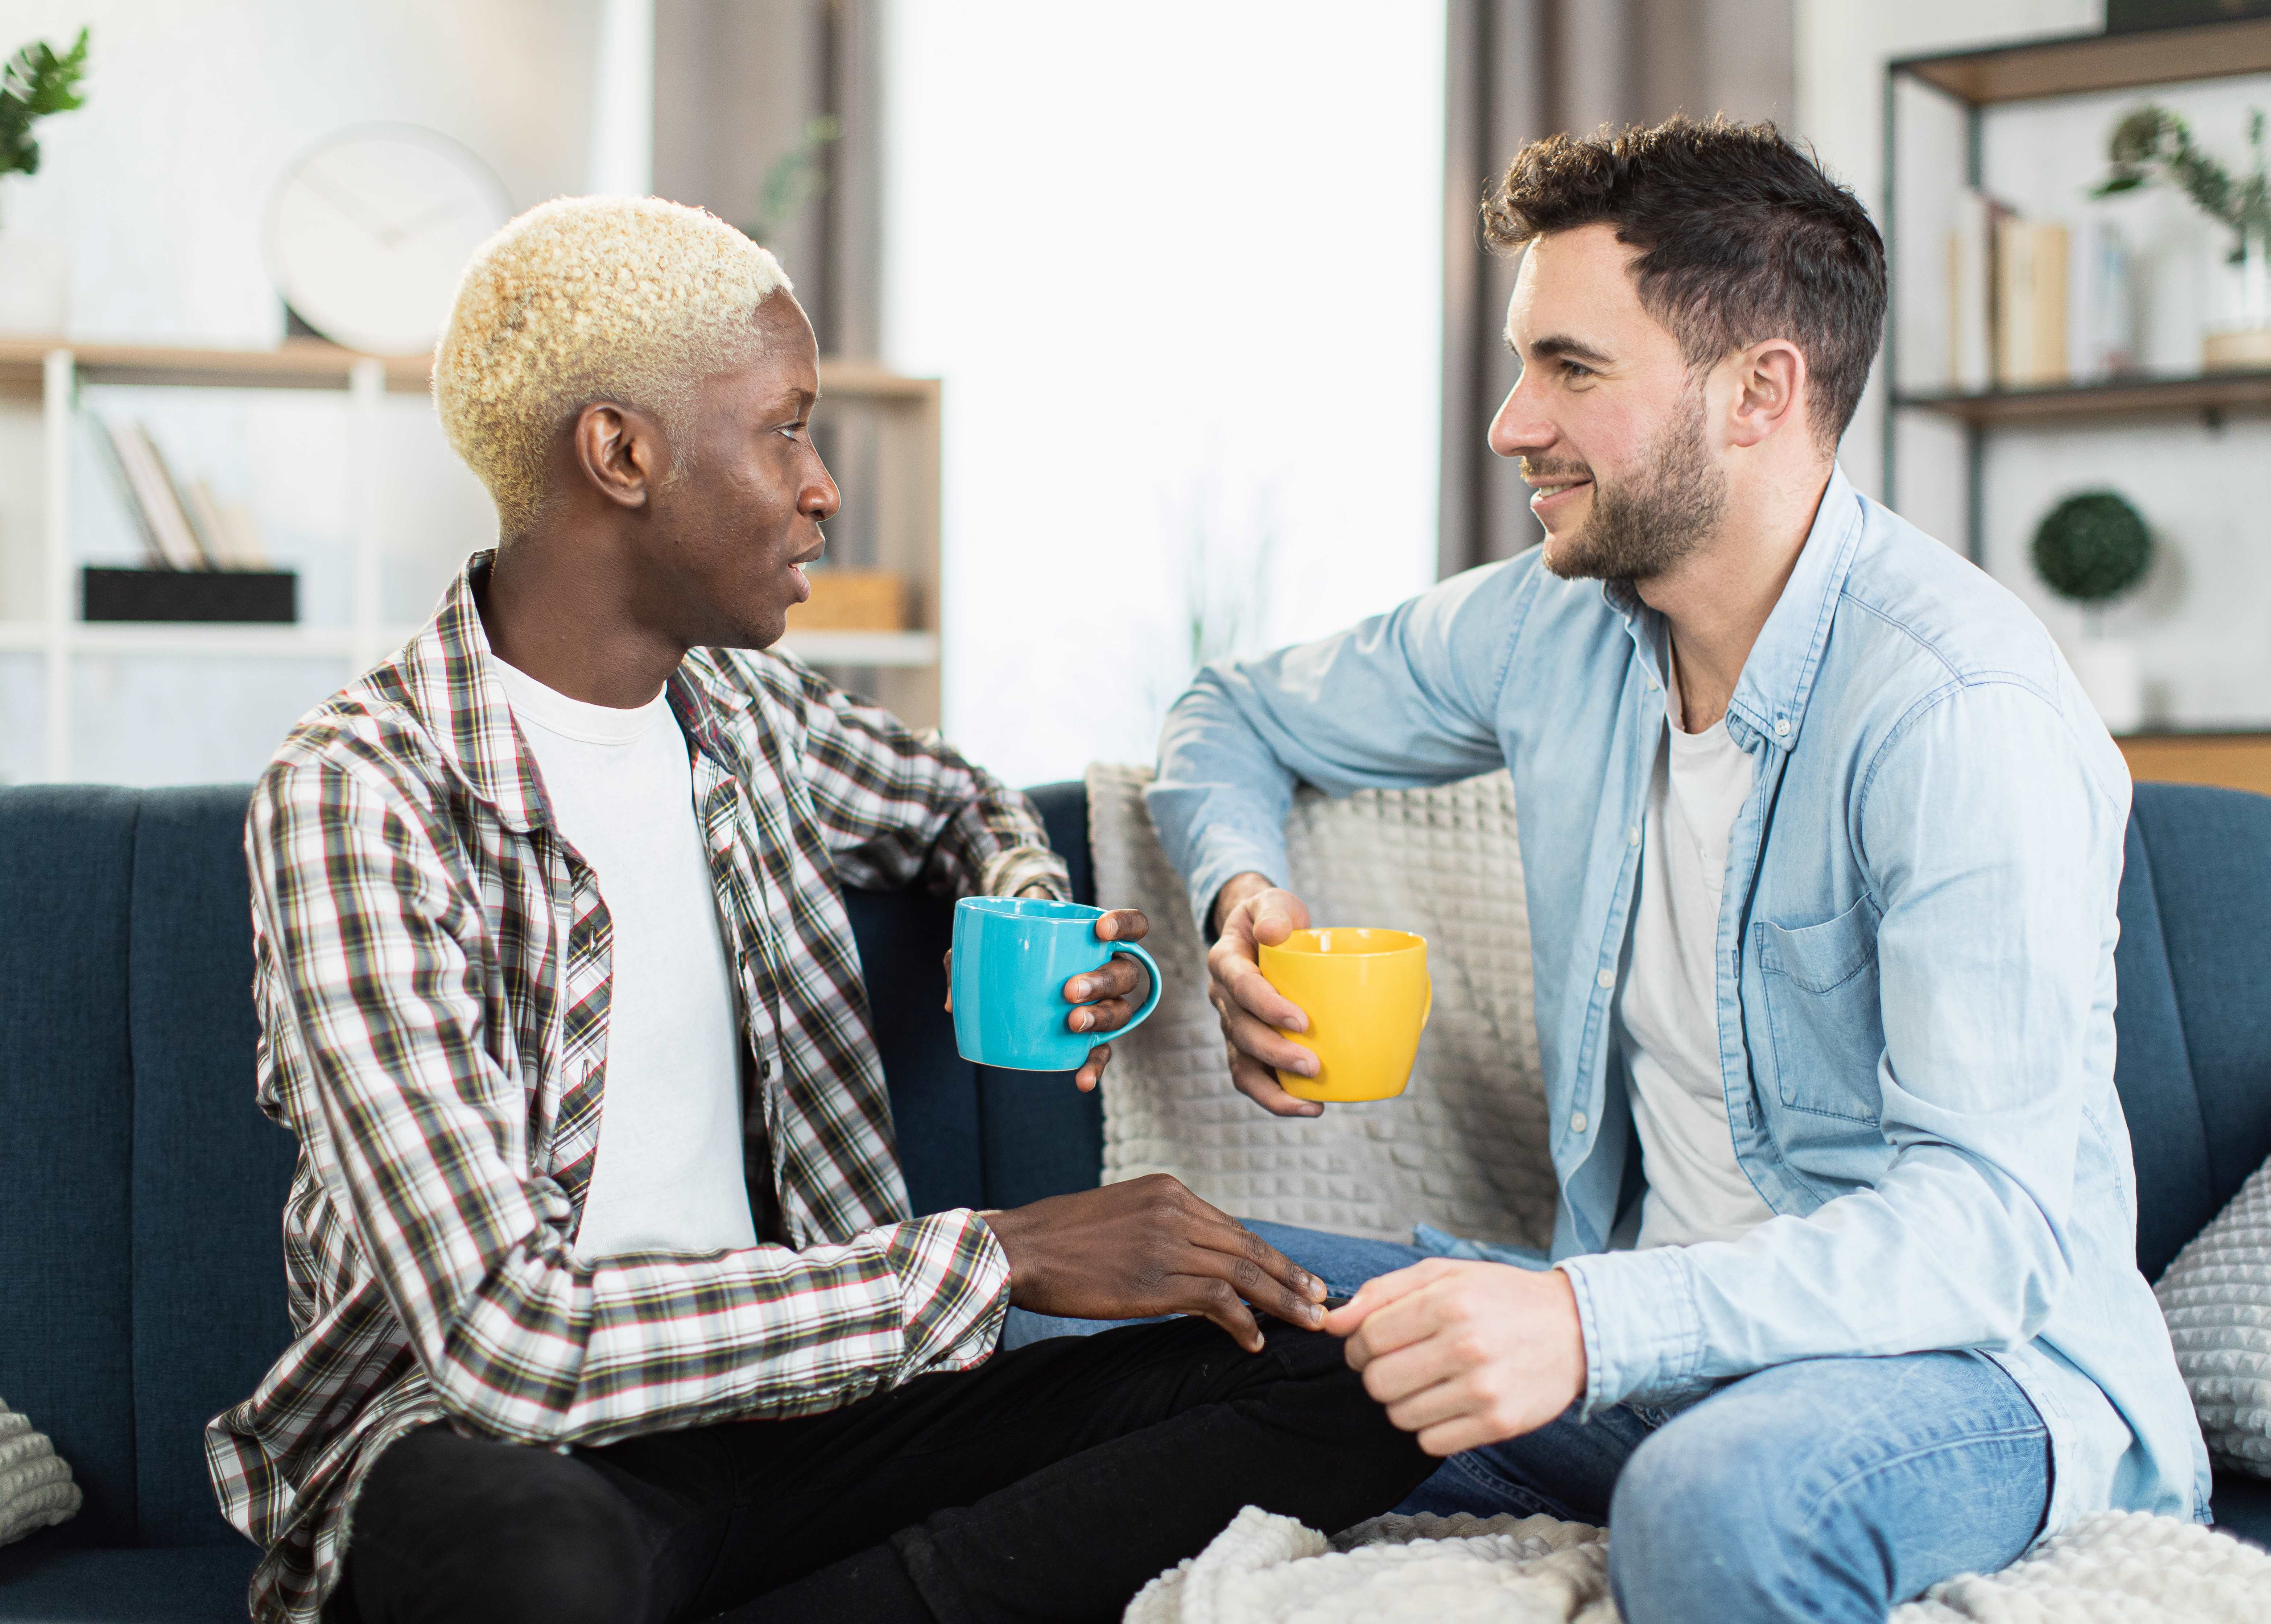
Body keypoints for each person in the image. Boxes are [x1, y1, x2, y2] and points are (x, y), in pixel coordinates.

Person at [206, 196, 1432, 1624]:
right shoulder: (360, 792)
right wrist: (1006, 1254)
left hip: (809, 1425)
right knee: (532, 1565)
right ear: (622, 453)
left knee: (1366, 1376)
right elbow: (509, 1340)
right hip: (505, 1457)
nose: (824, 485)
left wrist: (1027, 904)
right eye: (787, 425)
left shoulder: (746, 710)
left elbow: (964, 803)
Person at [1150, 118, 2207, 1623]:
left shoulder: (1959, 713)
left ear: (1762, 389)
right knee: (1137, 1300)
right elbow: (1235, 711)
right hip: (1642, 1348)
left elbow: (1996, 1229)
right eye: (1526, 366)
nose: (1514, 424)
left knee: (1719, 1501)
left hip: (1963, 1374)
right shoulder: (1551, 626)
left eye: (1572, 369)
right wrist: (1240, 894)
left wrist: (1586, 1316)